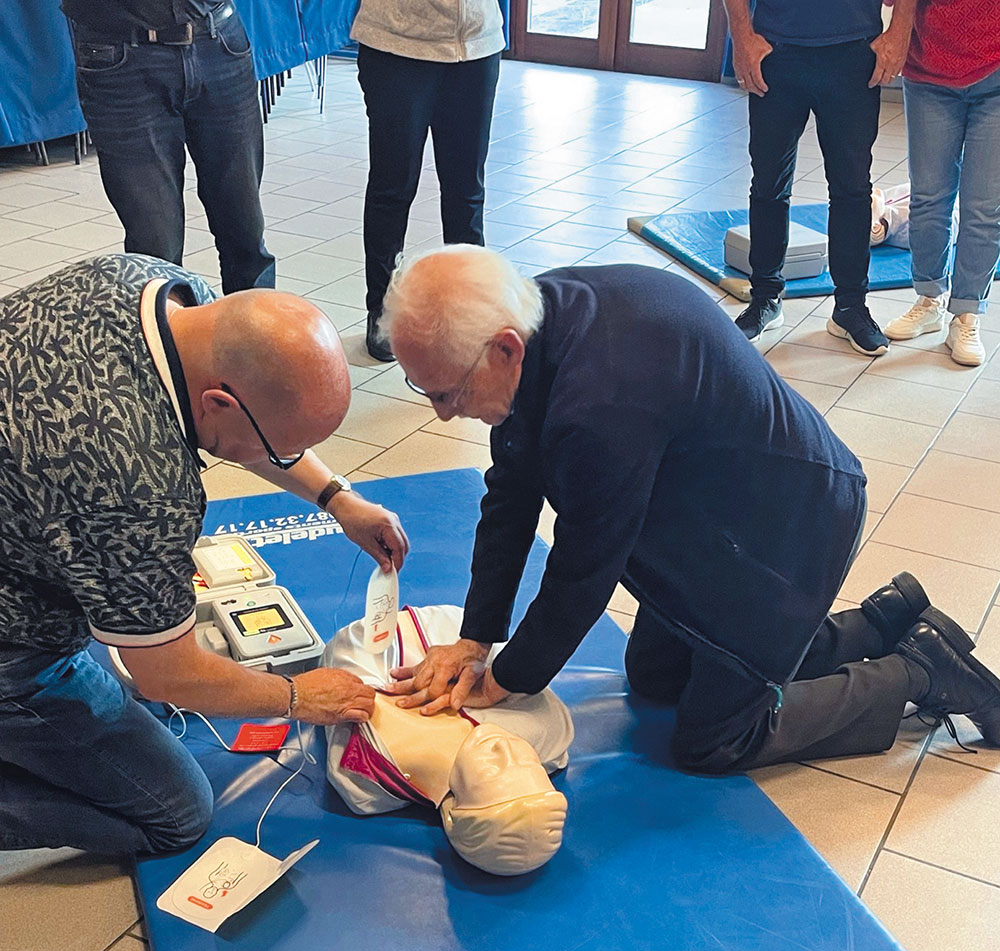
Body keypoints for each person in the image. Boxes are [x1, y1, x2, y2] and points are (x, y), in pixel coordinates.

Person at [379, 247, 1000, 774]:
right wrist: (476, 636)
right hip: (715, 507)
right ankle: (883, 622)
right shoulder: (533, 315)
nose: (441, 413)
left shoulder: (599, 401)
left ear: (505, 349)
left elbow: (584, 566)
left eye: (447, 392)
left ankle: (918, 670)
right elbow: (511, 491)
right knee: (655, 677)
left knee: (715, 740)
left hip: (785, 531)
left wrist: (506, 677)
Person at [0, 254, 409, 856]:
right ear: (218, 404)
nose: (290, 459)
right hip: (13, 634)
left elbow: (247, 412)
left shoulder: (155, 286)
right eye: (285, 448)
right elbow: (167, 674)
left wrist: (336, 496)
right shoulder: (136, 482)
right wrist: (299, 697)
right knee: (177, 815)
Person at [723, 0, 917, 355]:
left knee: (852, 188)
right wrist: (741, 36)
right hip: (775, 50)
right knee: (768, 183)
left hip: (854, 51)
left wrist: (899, 30)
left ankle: (850, 307)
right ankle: (765, 296)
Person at [323, 604, 572, 874]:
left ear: (451, 814)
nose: (505, 747)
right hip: (464, 625)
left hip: (379, 636)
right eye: (530, 766)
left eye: (496, 771)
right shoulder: (550, 734)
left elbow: (346, 658)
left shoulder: (370, 776)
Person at [64, 0, 274, 293]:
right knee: (155, 249)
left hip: (218, 39)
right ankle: (166, 336)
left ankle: (254, 337)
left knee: (245, 234)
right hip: (119, 53)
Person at [350, 0, 505, 362]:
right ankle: (383, 312)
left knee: (466, 192)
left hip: (476, 45)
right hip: (397, 44)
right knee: (393, 188)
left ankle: (470, 312)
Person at [883, 0, 1000, 368]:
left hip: (995, 70)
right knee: (930, 198)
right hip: (928, 69)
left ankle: (967, 313)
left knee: (983, 206)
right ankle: (930, 298)